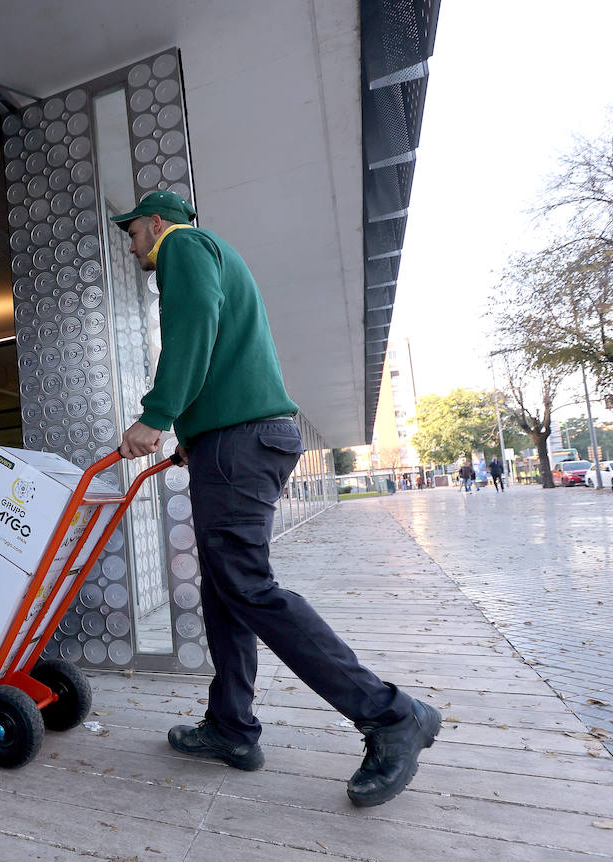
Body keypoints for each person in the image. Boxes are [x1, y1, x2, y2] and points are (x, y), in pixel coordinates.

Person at [114, 190, 438, 808]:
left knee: (247, 587)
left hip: (240, 443)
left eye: (132, 234)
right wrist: (191, 441)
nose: (131, 248)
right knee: (226, 591)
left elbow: (195, 329)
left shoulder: (183, 245)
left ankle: (391, 714)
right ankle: (231, 727)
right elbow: (220, 353)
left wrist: (157, 415)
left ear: (156, 223)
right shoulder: (212, 253)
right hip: (232, 442)